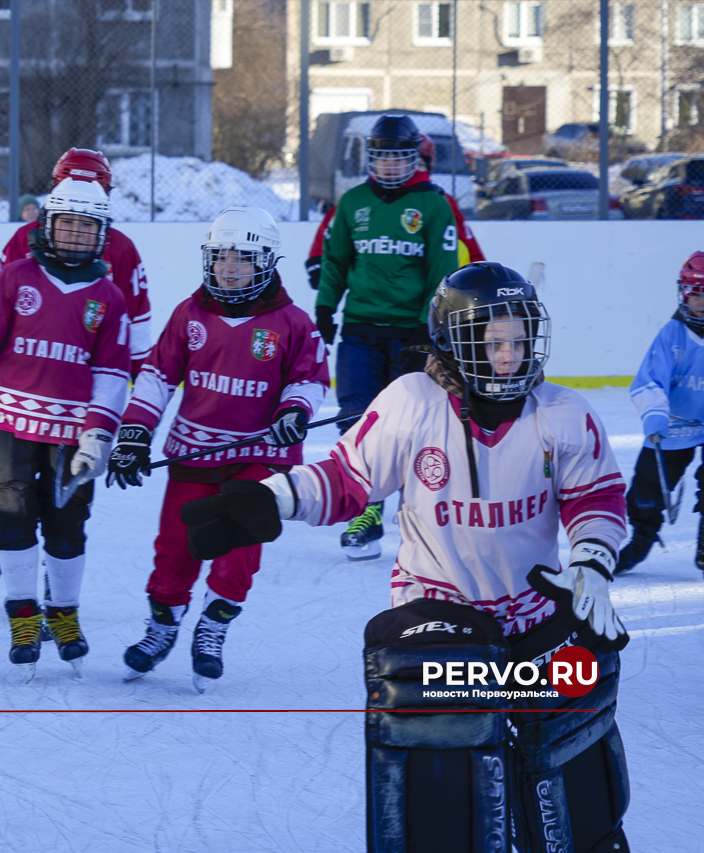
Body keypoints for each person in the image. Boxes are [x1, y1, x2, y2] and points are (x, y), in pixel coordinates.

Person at [181, 262, 632, 852]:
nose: (509, 357)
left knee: (576, 748)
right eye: (491, 341)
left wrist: (592, 565)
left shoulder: (564, 414)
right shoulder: (411, 402)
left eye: (519, 341)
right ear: (451, 341)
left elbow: (596, 497)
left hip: (536, 616)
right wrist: (274, 500)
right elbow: (344, 478)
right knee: (444, 767)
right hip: (436, 615)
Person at [106, 207, 329, 692]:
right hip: (192, 455)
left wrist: (294, 412)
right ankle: (162, 628)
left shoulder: (291, 322)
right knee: (175, 549)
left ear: (267, 262)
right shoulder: (189, 315)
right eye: (221, 256)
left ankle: (212, 629)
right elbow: (157, 376)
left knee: (239, 550)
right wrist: (135, 432)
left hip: (258, 459)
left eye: (242, 258)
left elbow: (310, 379)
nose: (229, 267)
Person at [0, 178, 130, 680]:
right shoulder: (15, 278)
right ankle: (23, 617)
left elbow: (113, 374)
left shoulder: (109, 297)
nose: (76, 234)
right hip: (7, 419)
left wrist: (98, 433)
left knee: (66, 525)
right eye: (67, 224)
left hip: (71, 430)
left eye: (87, 227)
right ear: (46, 227)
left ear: (101, 234)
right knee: (11, 517)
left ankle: (64, 613)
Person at [0, 147, 153, 611]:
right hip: (20, 385)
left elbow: (135, 325)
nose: (82, 206)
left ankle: (54, 585)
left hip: (80, 397)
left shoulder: (120, 248)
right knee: (6, 485)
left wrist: (134, 408)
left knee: (65, 499)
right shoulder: (25, 238)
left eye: (96, 191)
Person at [315, 115, 461, 560]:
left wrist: (427, 325)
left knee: (416, 426)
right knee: (356, 419)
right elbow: (335, 259)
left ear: (414, 158)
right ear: (370, 158)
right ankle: (366, 509)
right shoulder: (353, 201)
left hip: (412, 334)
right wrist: (325, 306)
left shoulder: (435, 205)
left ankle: (418, 512)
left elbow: (444, 270)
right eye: (381, 157)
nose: (390, 166)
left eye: (399, 157)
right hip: (360, 330)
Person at [615, 250, 704, 576]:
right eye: (696, 295)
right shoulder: (672, 334)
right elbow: (650, 380)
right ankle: (641, 537)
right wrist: (655, 417)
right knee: (646, 489)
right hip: (675, 423)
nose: (702, 303)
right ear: (684, 294)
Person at [305, 133, 484, 291]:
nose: (410, 171)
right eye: (390, 161)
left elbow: (467, 243)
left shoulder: (440, 201)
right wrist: (318, 260)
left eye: (419, 164)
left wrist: (477, 276)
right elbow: (333, 228)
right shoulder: (366, 198)